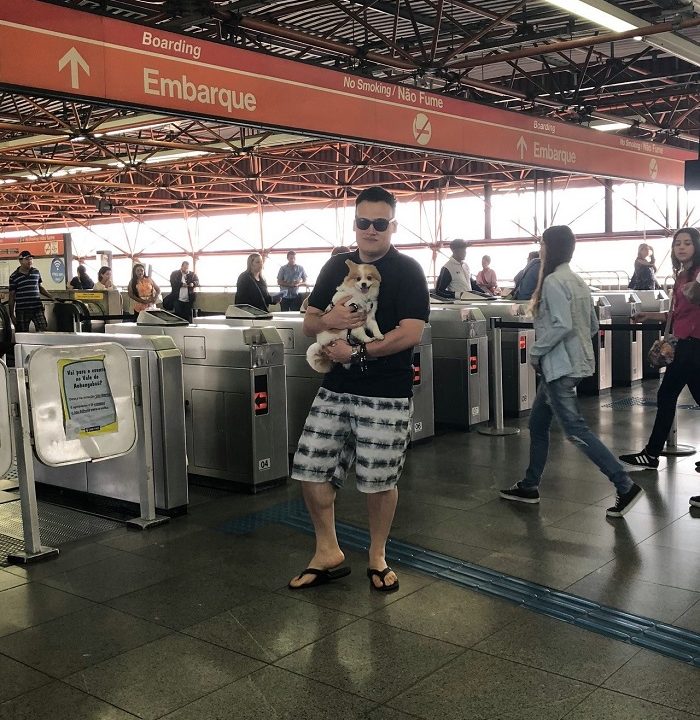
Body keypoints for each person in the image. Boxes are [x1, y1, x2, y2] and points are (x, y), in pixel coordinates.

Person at [288, 186, 429, 592]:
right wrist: (329, 320)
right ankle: (327, 551)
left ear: (392, 226)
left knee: (379, 479)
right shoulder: (336, 266)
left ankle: (377, 556)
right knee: (311, 467)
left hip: (387, 392)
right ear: (355, 223)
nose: (371, 230)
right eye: (364, 222)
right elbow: (310, 323)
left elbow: (411, 333)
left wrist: (358, 352)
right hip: (335, 387)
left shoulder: (408, 271)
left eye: (380, 223)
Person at [499, 225, 643, 518]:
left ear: (549, 247)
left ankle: (624, 484)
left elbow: (562, 325)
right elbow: (591, 326)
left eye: (542, 244)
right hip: (572, 365)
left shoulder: (553, 281)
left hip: (558, 369)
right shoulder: (578, 281)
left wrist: (536, 352)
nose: (540, 249)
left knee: (576, 430)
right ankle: (529, 485)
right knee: (537, 424)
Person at [619, 227, 700, 512]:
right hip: (684, 345)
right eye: (678, 243)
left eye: (687, 243)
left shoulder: (697, 274)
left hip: (695, 346)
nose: (681, 247)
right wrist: (650, 315)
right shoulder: (682, 275)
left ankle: (652, 453)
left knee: (668, 396)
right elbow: (677, 314)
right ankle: (652, 453)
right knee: (666, 396)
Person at [8, 250, 54, 332]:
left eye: (31, 259)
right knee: (22, 333)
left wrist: (51, 297)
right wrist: (11, 315)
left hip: (37, 307)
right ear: (20, 261)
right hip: (22, 310)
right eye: (27, 259)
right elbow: (11, 296)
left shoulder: (36, 272)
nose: (29, 261)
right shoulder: (14, 276)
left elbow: (40, 287)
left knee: (43, 330)